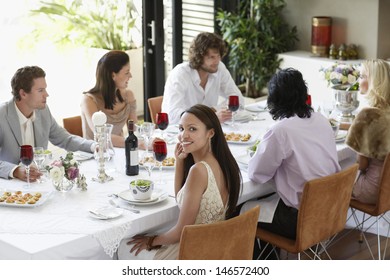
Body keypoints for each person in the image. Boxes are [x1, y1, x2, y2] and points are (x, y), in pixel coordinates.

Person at [117, 104, 242, 259]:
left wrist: (151, 241)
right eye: (181, 129)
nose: (184, 135)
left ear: (210, 133)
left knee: (124, 246)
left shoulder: (199, 171)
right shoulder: (222, 161)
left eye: (192, 129)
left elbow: (180, 231)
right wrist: (180, 162)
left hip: (194, 252)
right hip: (215, 246)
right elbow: (181, 199)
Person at [240, 68, 340, 257]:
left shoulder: (281, 130)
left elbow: (256, 174)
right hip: (330, 210)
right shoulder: (321, 120)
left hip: (301, 219)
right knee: (265, 200)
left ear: (274, 99)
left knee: (240, 210)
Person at [0, 66, 95, 181]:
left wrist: (94, 146)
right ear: (23, 94)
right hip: (8, 187)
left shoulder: (43, 111)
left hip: (38, 182)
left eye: (45, 89)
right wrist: (14, 170)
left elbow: (65, 139)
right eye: (40, 90)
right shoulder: (2, 115)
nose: (46, 94)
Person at [161, 32, 244, 124]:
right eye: (211, 57)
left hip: (207, 130)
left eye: (218, 56)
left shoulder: (219, 68)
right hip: (178, 132)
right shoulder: (180, 74)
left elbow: (238, 100)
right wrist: (210, 115)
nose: (217, 61)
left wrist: (213, 111)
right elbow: (173, 115)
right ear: (198, 57)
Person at [345, 59, 390, 204]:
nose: (358, 81)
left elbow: (362, 165)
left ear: (375, 82)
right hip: (387, 189)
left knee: (329, 177)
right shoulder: (384, 113)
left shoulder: (369, 115)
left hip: (372, 190)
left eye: (363, 76)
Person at [81, 50, 137, 148]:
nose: (130, 76)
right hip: (96, 155)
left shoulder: (128, 96)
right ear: (112, 75)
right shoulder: (89, 100)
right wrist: (135, 143)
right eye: (127, 72)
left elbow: (134, 129)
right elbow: (101, 135)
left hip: (121, 151)